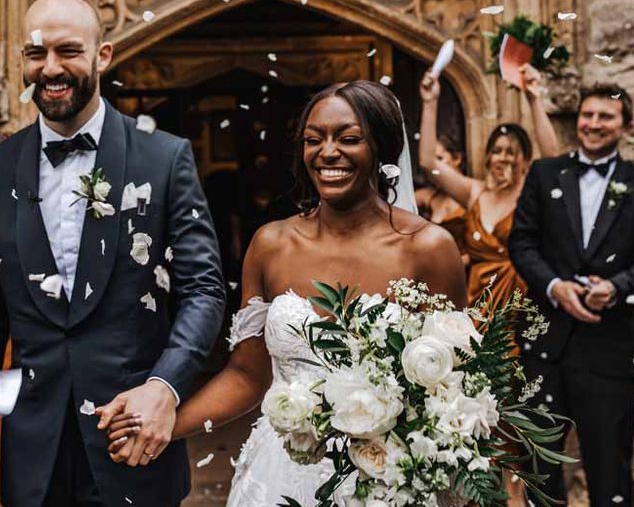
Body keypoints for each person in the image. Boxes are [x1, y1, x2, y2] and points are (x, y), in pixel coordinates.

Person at [99, 80, 466, 505]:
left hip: (388, 481)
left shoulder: (428, 249)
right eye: (314, 140)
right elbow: (248, 375)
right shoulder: (272, 245)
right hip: (282, 475)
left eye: (348, 138)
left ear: (382, 148)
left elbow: (452, 390)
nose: (327, 152)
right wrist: (163, 424)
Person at [0, 0, 225, 506]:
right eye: (37, 54)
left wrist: (164, 388)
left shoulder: (165, 159)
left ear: (103, 56)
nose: (51, 68)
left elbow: (204, 291)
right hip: (30, 456)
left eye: (68, 51)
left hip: (136, 439)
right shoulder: (1, 167)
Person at [508, 83, 634, 506]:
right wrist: (553, 286)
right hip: (545, 347)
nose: (594, 124)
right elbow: (522, 243)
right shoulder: (544, 175)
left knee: (609, 467)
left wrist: (617, 288)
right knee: (539, 466)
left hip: (611, 346)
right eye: (588, 115)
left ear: (626, 126)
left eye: (606, 117)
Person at [419, 63, 560, 312]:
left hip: (523, 305)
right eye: (496, 151)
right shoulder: (474, 192)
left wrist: (533, 98)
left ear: (526, 161)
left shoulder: (529, 192)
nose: (502, 158)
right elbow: (429, 164)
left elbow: (551, 159)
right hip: (477, 305)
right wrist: (430, 103)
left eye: (511, 152)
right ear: (487, 157)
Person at [415, 132, 467, 255]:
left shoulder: (471, 194)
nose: (433, 167)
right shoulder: (429, 196)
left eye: (439, 159)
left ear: (457, 159)